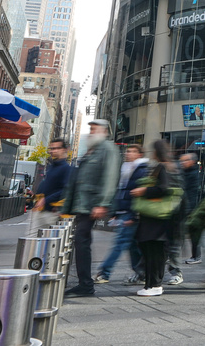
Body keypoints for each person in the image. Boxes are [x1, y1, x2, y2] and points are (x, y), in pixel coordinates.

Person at [63, 119, 119, 297]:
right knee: (81, 242)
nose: (91, 132)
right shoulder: (93, 149)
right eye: (90, 128)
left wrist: (102, 203)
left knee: (82, 241)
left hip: (92, 205)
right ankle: (84, 283)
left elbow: (110, 177)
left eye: (94, 129)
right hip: (83, 204)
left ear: (104, 131)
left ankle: (86, 284)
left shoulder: (108, 148)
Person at [95, 144, 148, 285]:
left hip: (130, 214)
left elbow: (136, 195)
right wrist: (115, 212)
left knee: (120, 244)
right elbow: (120, 192)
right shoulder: (126, 168)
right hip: (123, 212)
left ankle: (105, 273)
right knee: (131, 245)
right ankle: (141, 273)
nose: (128, 153)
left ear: (140, 154)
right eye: (127, 151)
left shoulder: (141, 170)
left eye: (132, 151)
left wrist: (132, 215)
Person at [131, 139, 178, 297]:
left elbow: (163, 189)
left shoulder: (162, 167)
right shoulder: (164, 167)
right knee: (149, 251)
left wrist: (144, 191)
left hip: (157, 220)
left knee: (155, 253)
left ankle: (155, 285)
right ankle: (150, 285)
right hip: (153, 219)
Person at [29, 139, 71, 235]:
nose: (53, 151)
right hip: (40, 211)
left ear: (65, 149)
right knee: (32, 241)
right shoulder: (51, 167)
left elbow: (66, 190)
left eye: (57, 148)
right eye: (51, 148)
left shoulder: (66, 169)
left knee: (42, 243)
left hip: (51, 213)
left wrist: (45, 200)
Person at [179, 152, 203, 265]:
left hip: (190, 207)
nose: (182, 163)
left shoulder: (193, 174)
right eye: (181, 161)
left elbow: (190, 193)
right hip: (184, 206)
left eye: (185, 160)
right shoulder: (184, 172)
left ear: (192, 161)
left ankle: (196, 256)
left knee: (193, 234)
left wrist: (189, 209)